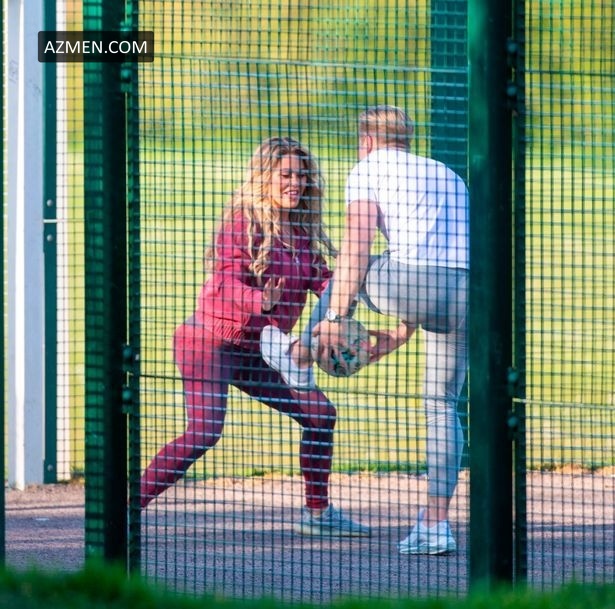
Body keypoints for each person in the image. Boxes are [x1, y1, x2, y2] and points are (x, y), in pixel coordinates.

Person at [261, 106, 469, 554]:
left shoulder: (368, 168)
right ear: (406, 139)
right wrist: (403, 331)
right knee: (442, 405)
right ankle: (435, 526)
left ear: (367, 141)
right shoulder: (448, 174)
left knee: (350, 270)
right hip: (470, 296)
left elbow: (357, 247)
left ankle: (298, 357)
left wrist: (335, 319)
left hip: (414, 284)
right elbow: (442, 254)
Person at [140, 136, 370, 537]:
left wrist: (360, 301)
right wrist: (260, 300)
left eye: (302, 176)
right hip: (209, 343)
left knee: (320, 415)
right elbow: (226, 282)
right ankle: (126, 508)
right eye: (286, 175)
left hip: (261, 350)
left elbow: (327, 283)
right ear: (265, 177)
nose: (295, 183)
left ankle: (318, 515)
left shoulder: (301, 231)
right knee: (204, 433)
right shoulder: (242, 221)